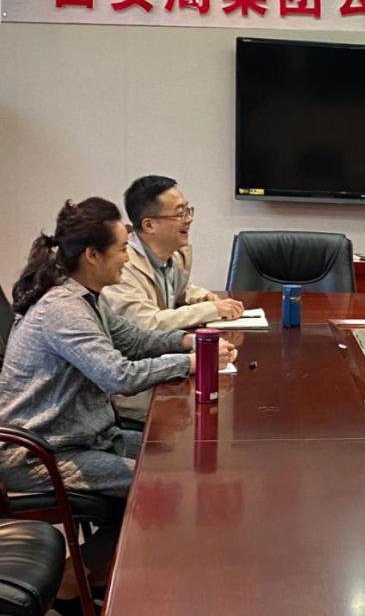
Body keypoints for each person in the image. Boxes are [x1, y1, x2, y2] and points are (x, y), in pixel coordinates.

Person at [0, 197, 237, 498]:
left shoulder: (87, 297)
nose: (128, 258)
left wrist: (188, 341)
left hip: (89, 438)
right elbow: (119, 377)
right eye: (123, 249)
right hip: (41, 455)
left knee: (181, 453)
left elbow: (134, 340)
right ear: (92, 255)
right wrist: (190, 362)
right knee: (159, 486)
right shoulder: (63, 309)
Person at [102, 175, 243, 422]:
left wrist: (203, 296)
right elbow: (147, 324)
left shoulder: (174, 254)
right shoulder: (123, 267)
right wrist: (211, 310)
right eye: (179, 213)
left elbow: (179, 290)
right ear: (149, 225)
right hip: (136, 390)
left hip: (163, 367)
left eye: (188, 210)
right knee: (209, 413)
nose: (188, 219)